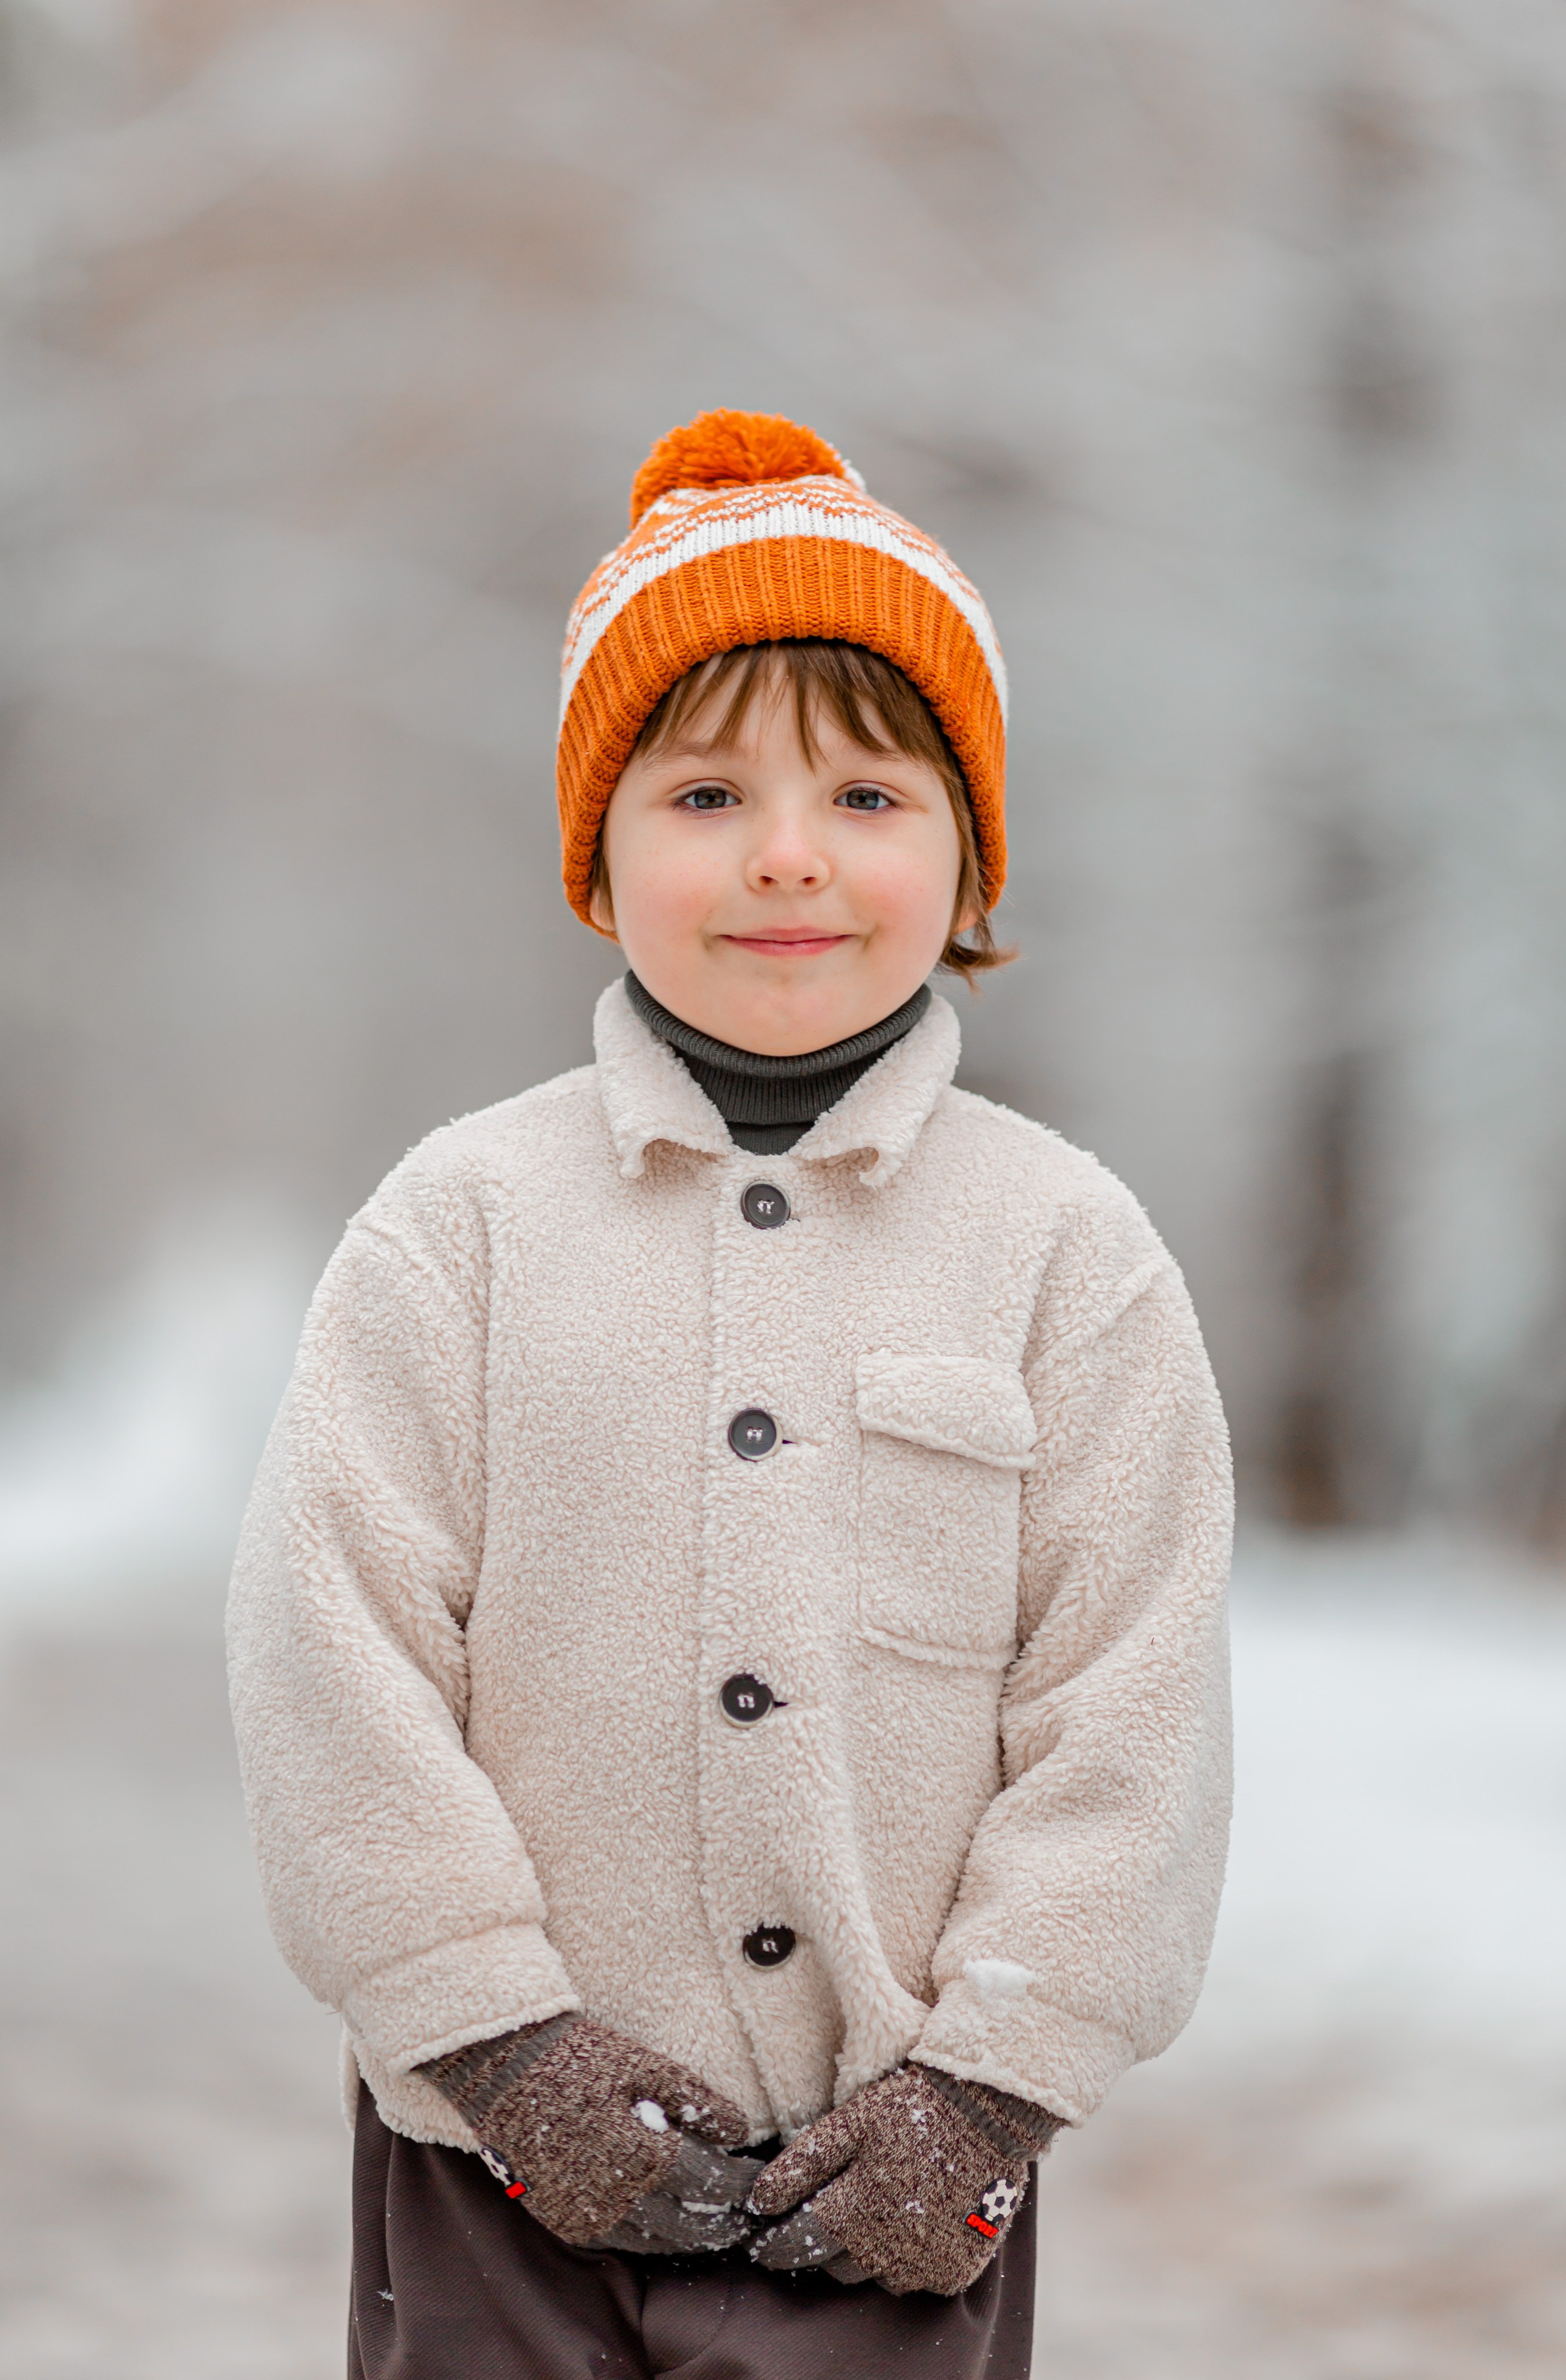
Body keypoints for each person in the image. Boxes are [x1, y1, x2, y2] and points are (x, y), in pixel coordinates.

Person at [228, 409, 1234, 2380]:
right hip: (495, 2167)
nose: (787, 854)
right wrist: (493, 2041)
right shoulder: (464, 1229)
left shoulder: (1067, 1253)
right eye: (704, 797)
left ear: (968, 856)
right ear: (600, 855)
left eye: (867, 795)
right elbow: (327, 1657)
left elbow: (1136, 1707)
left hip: (900, 2179)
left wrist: (990, 2093)